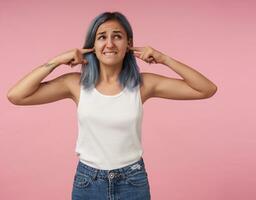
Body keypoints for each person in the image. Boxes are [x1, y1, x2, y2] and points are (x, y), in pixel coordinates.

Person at [7, 11, 217, 200]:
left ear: (128, 44)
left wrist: (164, 59)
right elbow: (16, 96)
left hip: (132, 182)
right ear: (93, 46)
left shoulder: (143, 84)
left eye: (117, 36)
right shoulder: (74, 84)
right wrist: (56, 61)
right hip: (88, 182)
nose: (109, 44)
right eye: (102, 37)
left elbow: (206, 89)